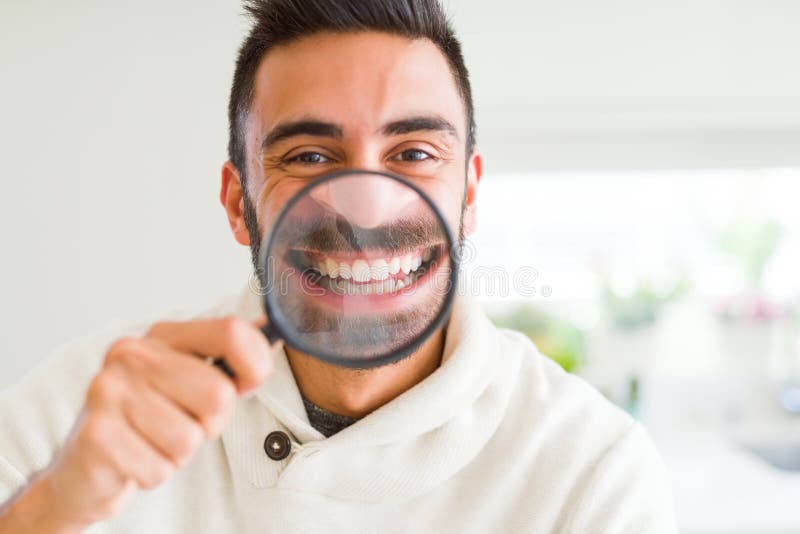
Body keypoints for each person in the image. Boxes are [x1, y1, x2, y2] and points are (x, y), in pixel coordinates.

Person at [0, 1, 677, 532]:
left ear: (469, 196)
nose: (367, 211)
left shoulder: (590, 470)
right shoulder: (80, 410)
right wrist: (50, 510)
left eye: (413, 154)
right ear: (239, 205)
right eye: (310, 157)